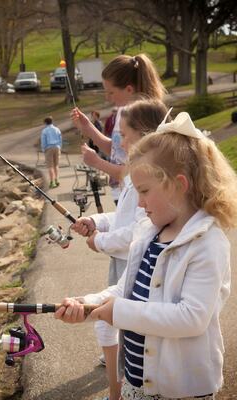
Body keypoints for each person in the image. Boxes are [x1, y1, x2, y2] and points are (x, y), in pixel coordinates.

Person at [55, 112, 237, 400]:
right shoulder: (149, 233)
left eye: (145, 191)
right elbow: (122, 290)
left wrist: (118, 312)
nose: (139, 203)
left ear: (179, 185)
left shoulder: (207, 242)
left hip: (182, 389)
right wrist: (88, 303)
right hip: (138, 382)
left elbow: (191, 318)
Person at [72, 99, 171, 400]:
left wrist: (99, 241)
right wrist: (96, 221)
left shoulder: (150, 183)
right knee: (109, 323)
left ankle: (119, 393)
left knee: (122, 329)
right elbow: (125, 216)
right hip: (128, 262)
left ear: (145, 134)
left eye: (123, 134)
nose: (119, 141)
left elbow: (135, 227)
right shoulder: (135, 175)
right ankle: (120, 392)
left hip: (130, 257)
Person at [72, 53, 166, 205]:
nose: (108, 98)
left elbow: (135, 169)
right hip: (122, 193)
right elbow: (116, 150)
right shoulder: (122, 113)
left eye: (111, 92)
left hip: (139, 197)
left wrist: (97, 162)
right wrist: (88, 128)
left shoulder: (142, 118)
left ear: (129, 89)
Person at [40, 116, 62, 188]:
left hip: (49, 148)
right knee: (56, 165)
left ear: (45, 123)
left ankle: (52, 182)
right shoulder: (57, 129)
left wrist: (44, 149)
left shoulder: (45, 131)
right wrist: (59, 147)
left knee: (50, 166)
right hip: (57, 147)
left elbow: (43, 141)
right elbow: (60, 139)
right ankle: (57, 180)